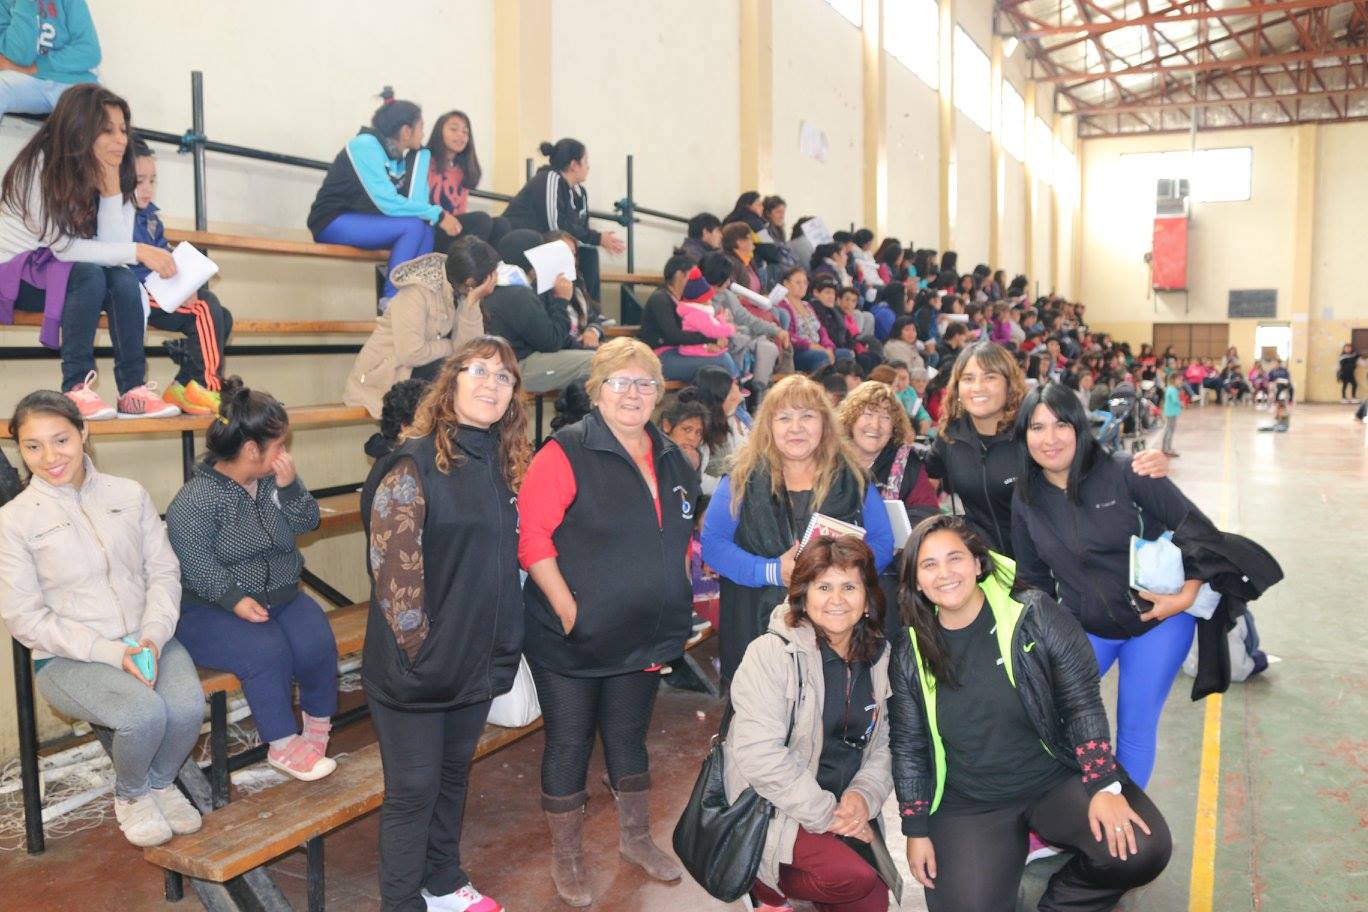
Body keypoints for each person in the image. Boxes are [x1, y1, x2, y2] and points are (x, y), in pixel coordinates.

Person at [890, 514, 1171, 912]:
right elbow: (909, 745)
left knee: (1140, 849)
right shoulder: (910, 649)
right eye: (929, 565)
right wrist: (916, 828)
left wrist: (1104, 786)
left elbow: (1081, 700)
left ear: (977, 562)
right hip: (970, 799)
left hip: (1052, 778)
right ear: (916, 580)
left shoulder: (1034, 613)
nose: (945, 573)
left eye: (955, 558)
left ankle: (1060, 904)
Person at [518, 338, 698, 906]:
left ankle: (637, 838)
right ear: (597, 391)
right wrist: (569, 609)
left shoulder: (673, 455)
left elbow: (678, 538)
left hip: (643, 632)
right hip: (571, 637)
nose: (634, 393)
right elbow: (532, 540)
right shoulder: (564, 452)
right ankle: (568, 857)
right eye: (620, 382)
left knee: (627, 738)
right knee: (569, 743)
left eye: (645, 383)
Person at [361, 336, 529, 912]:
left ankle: (442, 881)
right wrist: (421, 654)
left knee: (453, 777)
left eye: (504, 376)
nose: (491, 383)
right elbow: (393, 575)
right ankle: (401, 902)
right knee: (412, 791)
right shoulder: (412, 463)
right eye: (478, 370)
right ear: (451, 382)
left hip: (476, 661)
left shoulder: (502, 465)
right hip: (419, 666)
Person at [0, 390, 204, 848]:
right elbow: (25, 617)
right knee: (144, 715)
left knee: (188, 709)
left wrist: (151, 636)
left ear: (84, 432)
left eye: (61, 440)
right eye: (33, 446)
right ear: (21, 449)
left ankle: (159, 782)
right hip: (69, 658)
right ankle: (131, 796)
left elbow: (164, 571)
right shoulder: (13, 521)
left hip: (149, 639)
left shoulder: (127, 494)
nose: (50, 457)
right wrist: (113, 652)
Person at [1011, 383, 1207, 788]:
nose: (1050, 439)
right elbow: (1032, 579)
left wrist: (1185, 596)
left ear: (1080, 427)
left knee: (1134, 725)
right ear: (1024, 435)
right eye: (1037, 427)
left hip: (1159, 623)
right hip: (1085, 628)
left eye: (1061, 424)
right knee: (1048, 715)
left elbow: (1200, 531)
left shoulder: (1127, 472)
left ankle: (1129, 830)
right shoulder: (1026, 498)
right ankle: (1062, 814)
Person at [166, 379, 339, 782]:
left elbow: (308, 522)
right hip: (210, 608)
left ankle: (315, 734)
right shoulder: (196, 499)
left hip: (281, 597)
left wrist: (290, 487)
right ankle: (281, 743)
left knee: (316, 640)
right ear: (250, 450)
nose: (285, 454)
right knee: (266, 650)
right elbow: (195, 563)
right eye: (279, 446)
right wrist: (233, 599)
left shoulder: (273, 483)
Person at [726, 536, 901, 912]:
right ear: (802, 596)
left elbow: (886, 740)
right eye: (823, 587)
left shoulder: (880, 655)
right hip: (776, 803)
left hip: (842, 802)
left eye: (849, 587)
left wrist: (862, 796)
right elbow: (759, 756)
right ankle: (764, 887)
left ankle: (808, 875)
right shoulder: (770, 654)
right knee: (852, 877)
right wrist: (828, 816)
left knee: (870, 898)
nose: (837, 599)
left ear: (868, 598)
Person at [0, 83, 179, 419]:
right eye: (107, 131)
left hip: (66, 271)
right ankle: (76, 387)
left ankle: (132, 390)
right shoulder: (41, 167)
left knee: (123, 280)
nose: (120, 140)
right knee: (89, 275)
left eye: (123, 130)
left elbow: (112, 249)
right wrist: (139, 249)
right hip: (14, 275)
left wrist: (112, 189)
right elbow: (65, 249)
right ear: (80, 130)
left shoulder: (115, 169)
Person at [701, 374, 895, 684]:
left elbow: (883, 543)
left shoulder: (853, 477)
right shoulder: (739, 478)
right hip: (755, 623)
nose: (796, 427)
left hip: (836, 622)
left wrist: (836, 574)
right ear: (769, 425)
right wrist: (773, 571)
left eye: (807, 416)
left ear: (825, 425)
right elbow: (713, 545)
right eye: (785, 417)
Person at [927, 342, 1166, 558]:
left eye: (990, 377)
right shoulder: (949, 438)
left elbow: (1092, 460)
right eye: (968, 379)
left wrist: (1140, 463)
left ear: (1009, 384)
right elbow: (923, 475)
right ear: (957, 388)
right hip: (988, 571)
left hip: (1050, 565)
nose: (978, 387)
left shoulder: (1033, 431)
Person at [308, 90, 458, 301]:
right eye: (421, 128)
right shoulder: (365, 146)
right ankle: (392, 302)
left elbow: (416, 204)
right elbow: (387, 203)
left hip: (364, 221)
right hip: (332, 221)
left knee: (425, 228)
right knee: (414, 225)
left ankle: (419, 301)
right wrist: (440, 214)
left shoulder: (398, 158)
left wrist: (421, 158)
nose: (423, 135)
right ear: (406, 131)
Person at [129, 139, 234, 415]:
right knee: (205, 307)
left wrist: (185, 281)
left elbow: (166, 257)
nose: (148, 187)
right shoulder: (118, 217)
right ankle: (206, 385)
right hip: (134, 294)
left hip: (160, 291)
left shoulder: (152, 217)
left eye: (152, 180)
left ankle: (182, 386)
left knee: (221, 316)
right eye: (139, 180)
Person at [345, 247, 487, 418]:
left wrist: (471, 304)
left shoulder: (460, 292)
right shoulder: (415, 292)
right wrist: (451, 346)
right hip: (385, 377)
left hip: (417, 371)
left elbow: (468, 352)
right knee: (450, 375)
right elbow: (411, 354)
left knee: (467, 372)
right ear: (471, 281)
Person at [457, 232, 593, 394]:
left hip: (510, 360)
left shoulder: (506, 283)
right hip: (515, 366)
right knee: (596, 362)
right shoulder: (517, 293)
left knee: (600, 357)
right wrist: (561, 300)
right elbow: (552, 342)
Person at [501, 138, 625, 302]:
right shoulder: (549, 179)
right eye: (586, 161)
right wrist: (598, 238)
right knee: (573, 251)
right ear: (574, 164)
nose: (588, 166)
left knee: (588, 253)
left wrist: (597, 240)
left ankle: (590, 311)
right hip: (523, 247)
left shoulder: (580, 192)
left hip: (547, 244)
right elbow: (556, 226)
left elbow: (579, 229)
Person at [838, 381, 938, 520]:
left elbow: (928, 516)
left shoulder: (907, 464)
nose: (875, 425)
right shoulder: (831, 459)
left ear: (894, 427)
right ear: (851, 419)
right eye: (868, 414)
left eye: (886, 417)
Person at [638, 251, 738, 381]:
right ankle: (737, 397)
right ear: (680, 275)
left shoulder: (684, 300)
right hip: (661, 357)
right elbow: (674, 335)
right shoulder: (660, 298)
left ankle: (731, 397)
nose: (695, 280)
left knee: (722, 360)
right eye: (692, 275)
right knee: (722, 362)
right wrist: (709, 340)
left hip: (680, 352)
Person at [424, 109, 507, 252]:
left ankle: (490, 269)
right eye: (454, 129)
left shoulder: (462, 170)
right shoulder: (425, 161)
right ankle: (465, 268)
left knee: (501, 224)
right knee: (482, 220)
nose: (460, 136)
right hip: (430, 228)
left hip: (453, 229)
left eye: (465, 132)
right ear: (439, 132)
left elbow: (460, 211)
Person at [0, 0, 99, 118]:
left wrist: (36, 67)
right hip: (28, 81)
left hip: (72, 80)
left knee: (99, 112)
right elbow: (19, 56)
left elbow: (89, 52)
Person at [686, 365, 752, 496]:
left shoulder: (740, 417)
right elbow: (698, 482)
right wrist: (735, 487)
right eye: (731, 393)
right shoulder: (699, 432)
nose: (738, 397)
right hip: (719, 500)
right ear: (716, 399)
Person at [773, 266, 835, 373]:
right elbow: (788, 334)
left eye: (805, 283)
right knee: (821, 356)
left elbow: (821, 330)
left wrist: (828, 347)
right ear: (786, 284)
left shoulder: (807, 305)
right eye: (798, 282)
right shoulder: (781, 306)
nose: (803, 286)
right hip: (797, 351)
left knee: (844, 354)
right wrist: (811, 345)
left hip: (818, 348)